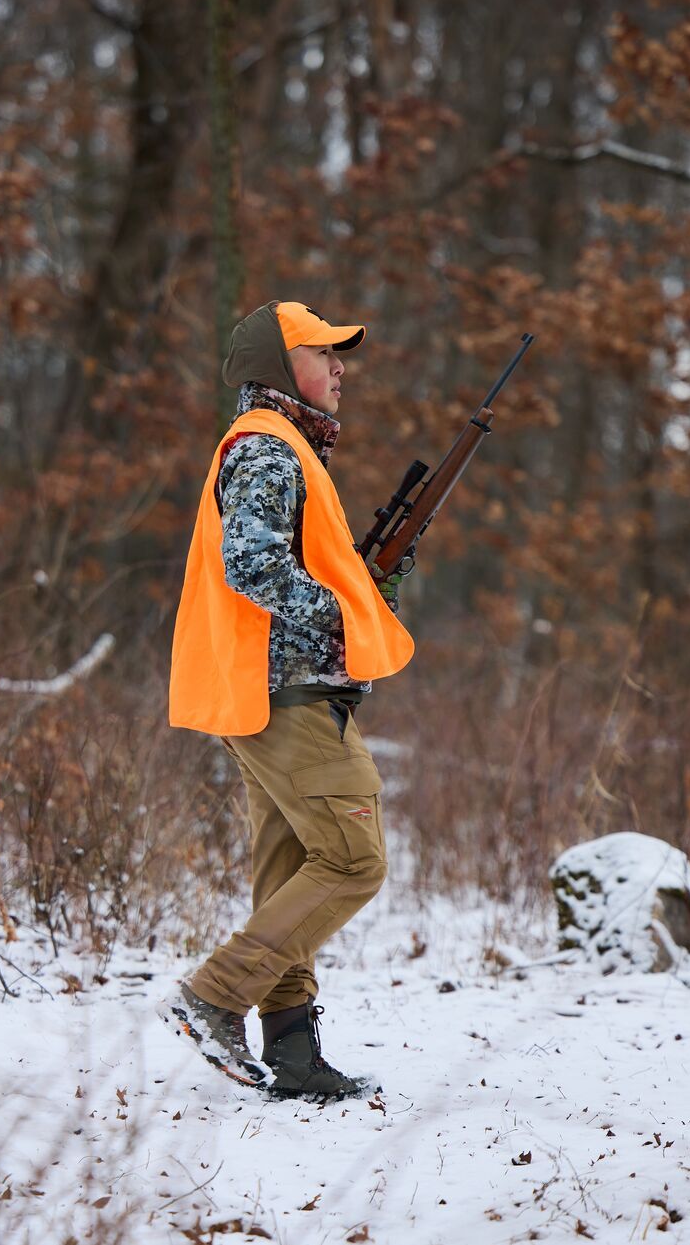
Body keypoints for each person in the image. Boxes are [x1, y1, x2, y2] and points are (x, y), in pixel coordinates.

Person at [162, 300, 413, 1099]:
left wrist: (367, 592)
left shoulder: (283, 449)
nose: (341, 367)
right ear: (279, 364)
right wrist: (343, 618)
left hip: (263, 693)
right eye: (324, 353)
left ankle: (294, 1052)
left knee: (288, 873)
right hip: (287, 695)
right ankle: (212, 994)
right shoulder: (271, 450)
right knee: (352, 858)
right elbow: (252, 564)